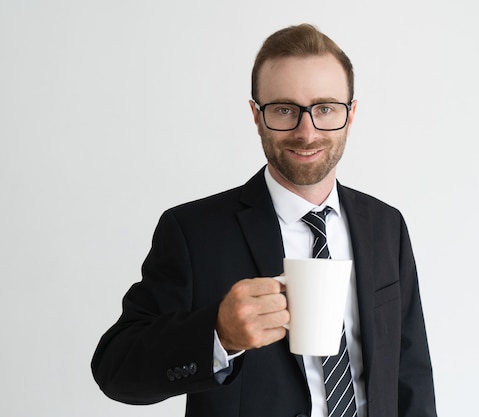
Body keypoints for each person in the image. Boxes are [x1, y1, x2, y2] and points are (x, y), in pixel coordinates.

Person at [91, 23, 437, 417]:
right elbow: (114, 369)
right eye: (284, 110)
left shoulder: (386, 226)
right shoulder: (194, 232)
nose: (307, 132)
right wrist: (218, 334)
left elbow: (411, 375)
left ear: (350, 114)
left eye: (325, 108)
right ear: (256, 115)